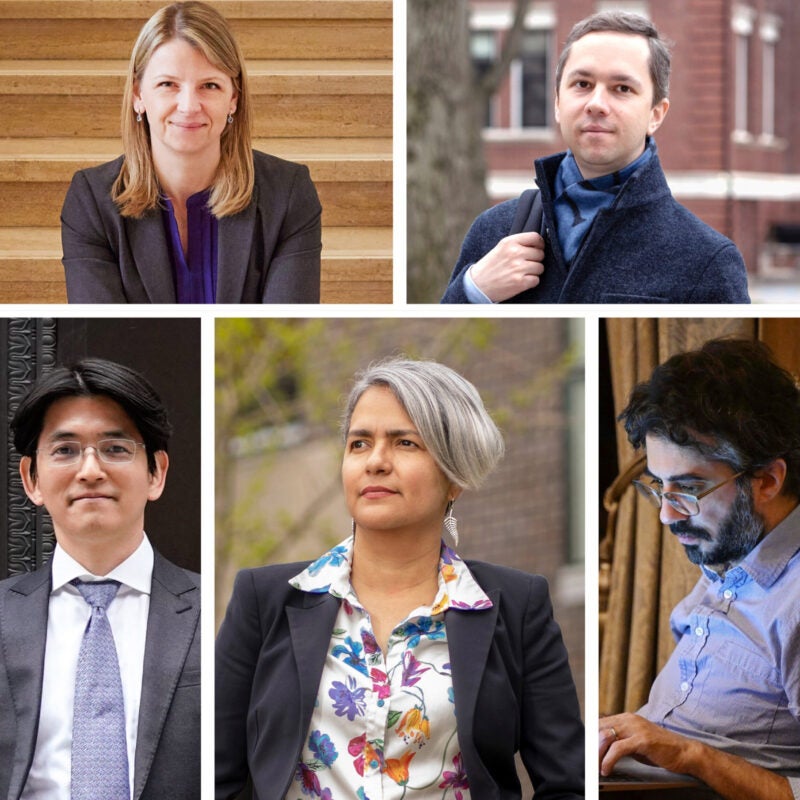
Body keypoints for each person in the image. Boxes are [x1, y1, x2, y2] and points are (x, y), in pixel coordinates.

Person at [215, 358, 584, 799]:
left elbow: (566, 783)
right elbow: (217, 774)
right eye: (359, 443)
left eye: (405, 442)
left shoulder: (517, 605)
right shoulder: (265, 600)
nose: (375, 461)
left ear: (454, 476)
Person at [599, 339, 800, 800]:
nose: (668, 516)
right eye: (659, 488)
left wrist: (693, 756)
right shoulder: (728, 561)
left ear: (767, 480)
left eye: (688, 490)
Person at [441, 11, 750, 304]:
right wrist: (475, 290)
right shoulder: (493, 231)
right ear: (558, 102)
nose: (597, 104)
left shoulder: (706, 260)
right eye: (583, 84)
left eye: (622, 88)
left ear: (656, 114)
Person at [0, 359, 200, 800]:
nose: (90, 470)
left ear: (156, 473)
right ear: (32, 479)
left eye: (115, 449)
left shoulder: (215, 610)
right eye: (65, 451)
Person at [61, 1, 322, 303]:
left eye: (209, 85)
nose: (188, 106)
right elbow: (106, 334)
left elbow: (283, 333)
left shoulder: (288, 193)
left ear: (233, 99)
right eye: (168, 84)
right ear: (137, 95)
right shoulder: (91, 200)